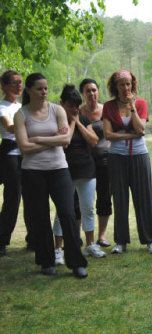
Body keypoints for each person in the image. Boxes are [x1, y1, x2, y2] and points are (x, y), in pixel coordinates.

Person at [14, 73, 87, 278]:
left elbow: (65, 140)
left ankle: (76, 262)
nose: (44, 92)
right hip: (33, 172)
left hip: (59, 169)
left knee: (67, 213)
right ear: (29, 91)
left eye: (46, 88)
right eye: (39, 88)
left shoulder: (57, 110)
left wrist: (36, 137)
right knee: (40, 217)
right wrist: (49, 139)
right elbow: (24, 147)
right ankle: (46, 262)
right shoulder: (21, 115)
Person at [102, 69, 152, 255]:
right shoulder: (109, 106)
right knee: (120, 198)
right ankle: (121, 241)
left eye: (128, 84)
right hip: (117, 157)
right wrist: (130, 135)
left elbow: (141, 129)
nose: (125, 88)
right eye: (121, 84)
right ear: (115, 87)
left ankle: (150, 240)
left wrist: (132, 107)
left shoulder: (141, 103)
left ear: (132, 85)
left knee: (144, 198)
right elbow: (108, 134)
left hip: (139, 156)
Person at [52, 84, 106, 261]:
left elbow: (94, 141)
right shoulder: (56, 120)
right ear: (62, 104)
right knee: (64, 210)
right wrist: (71, 123)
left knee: (88, 208)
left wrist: (77, 121)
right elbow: (65, 143)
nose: (74, 109)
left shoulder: (83, 119)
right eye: (70, 105)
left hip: (87, 170)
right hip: (64, 171)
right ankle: (58, 248)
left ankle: (90, 245)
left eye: (77, 105)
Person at [0, 70, 31, 256]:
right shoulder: (2, 107)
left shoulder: (23, 106)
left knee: (32, 198)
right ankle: (2, 239)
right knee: (13, 198)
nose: (19, 86)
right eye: (14, 82)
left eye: (20, 82)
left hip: (27, 154)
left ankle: (33, 239)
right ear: (4, 86)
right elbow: (9, 126)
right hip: (11, 155)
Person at [79, 78, 112, 247]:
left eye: (94, 90)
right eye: (87, 91)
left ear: (98, 92)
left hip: (106, 161)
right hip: (84, 162)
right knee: (82, 199)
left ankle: (102, 236)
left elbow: (114, 132)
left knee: (105, 197)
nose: (92, 93)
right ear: (82, 94)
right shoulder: (78, 112)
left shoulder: (106, 109)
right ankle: (79, 236)